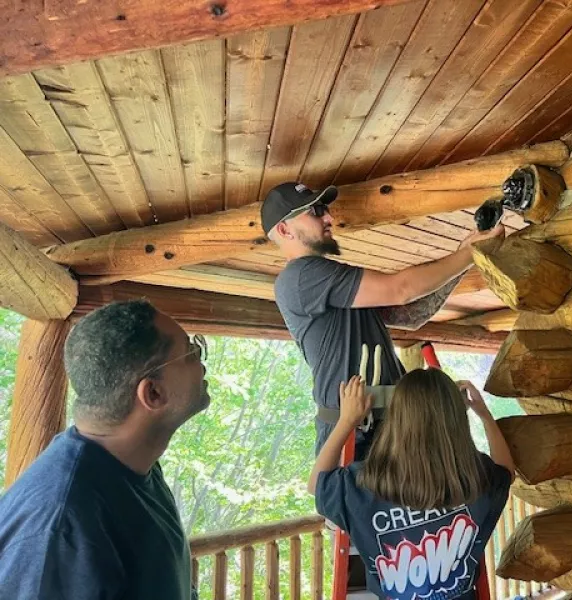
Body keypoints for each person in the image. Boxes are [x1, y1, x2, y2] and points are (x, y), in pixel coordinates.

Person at [263, 181, 505, 457]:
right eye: (316, 211)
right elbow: (400, 289)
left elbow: (411, 312)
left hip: (384, 425)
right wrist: (470, 254)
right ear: (284, 229)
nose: (329, 217)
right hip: (358, 435)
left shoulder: (328, 286)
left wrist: (468, 252)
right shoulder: (302, 276)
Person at [0, 300, 210, 599]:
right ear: (153, 392)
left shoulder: (136, 466)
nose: (201, 364)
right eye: (191, 353)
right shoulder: (62, 527)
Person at [308, 369, 515, 599]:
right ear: (457, 419)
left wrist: (346, 421)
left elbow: (317, 485)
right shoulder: (476, 479)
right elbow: (506, 471)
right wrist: (484, 414)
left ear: (396, 419)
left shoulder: (364, 485)